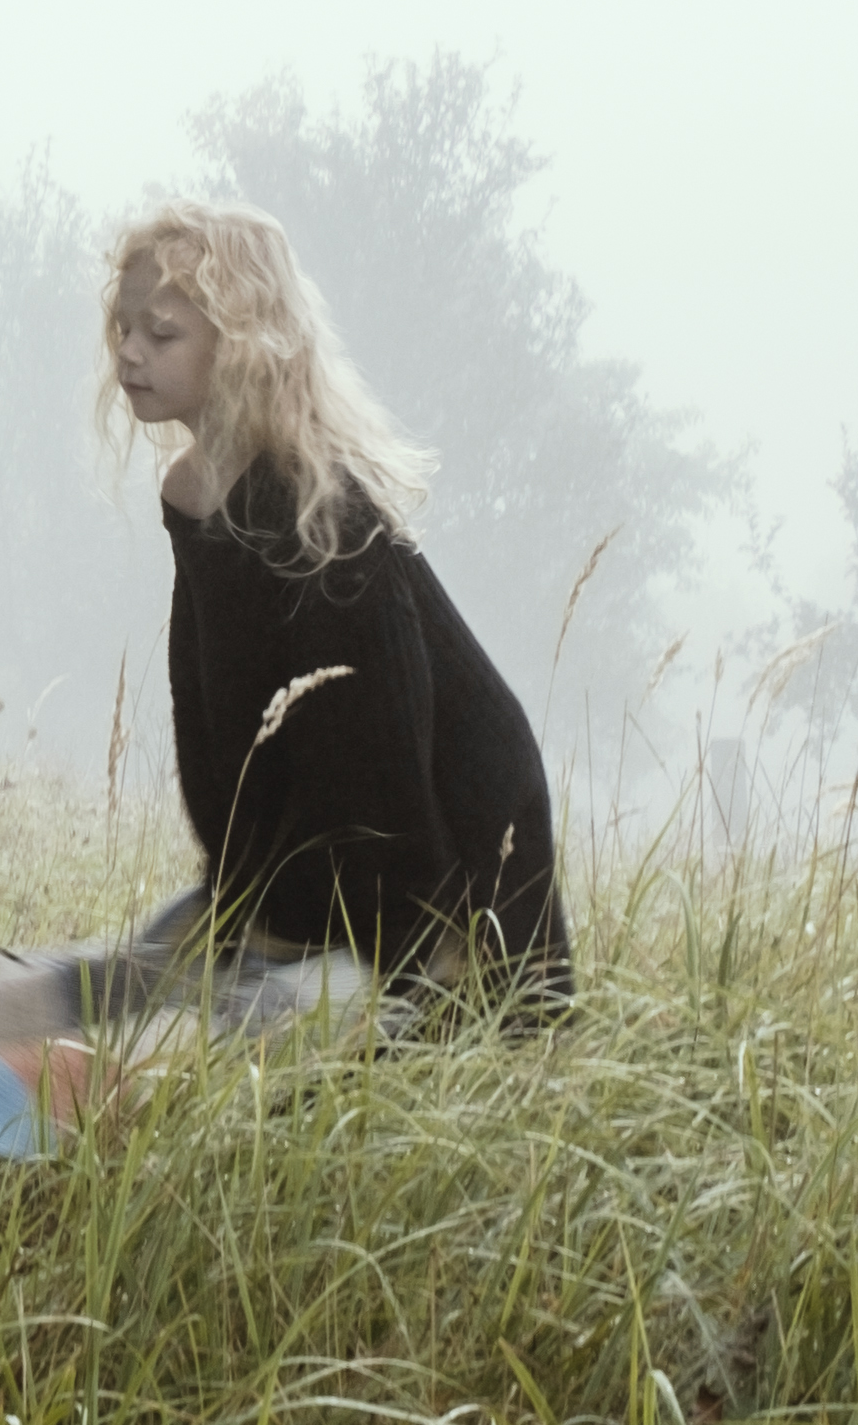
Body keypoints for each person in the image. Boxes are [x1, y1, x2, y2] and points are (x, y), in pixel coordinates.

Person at [104, 200, 571, 1013]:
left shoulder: (322, 518)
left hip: (446, 878)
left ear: (241, 346)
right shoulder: (194, 493)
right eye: (123, 329)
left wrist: (404, 955)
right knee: (124, 984)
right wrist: (234, 901)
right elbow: (216, 720)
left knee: (229, 1029)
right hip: (322, 887)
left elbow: (383, 752)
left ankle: (430, 992)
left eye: (162, 334)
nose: (130, 353)